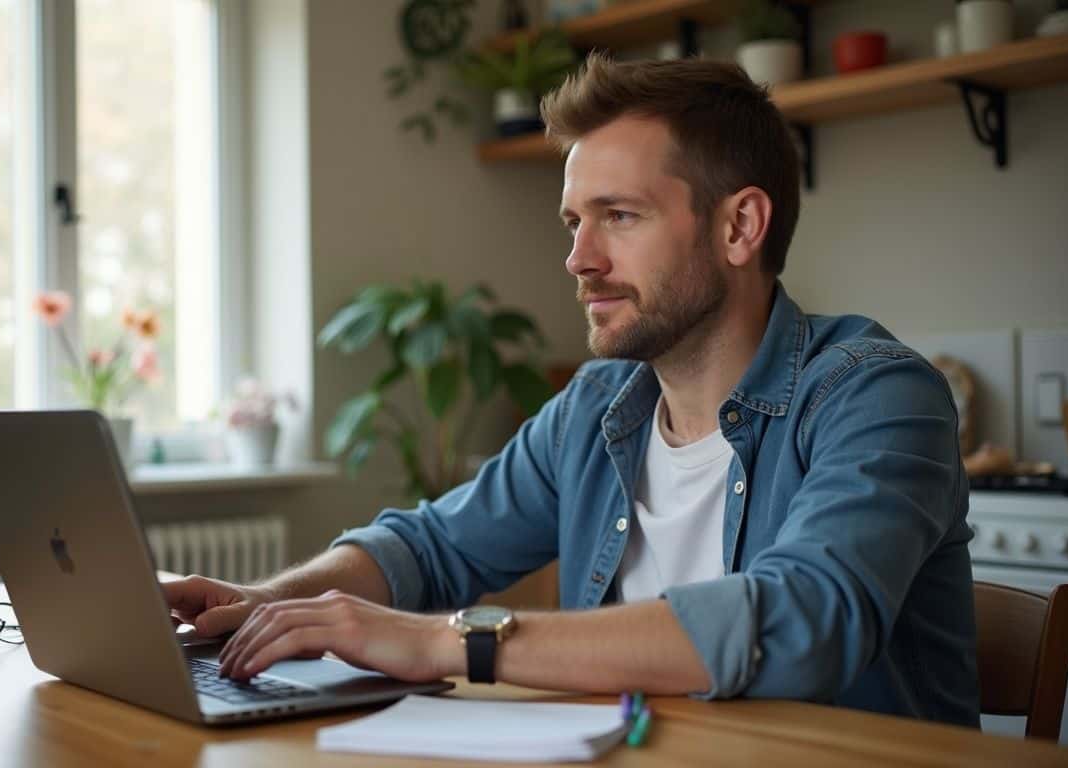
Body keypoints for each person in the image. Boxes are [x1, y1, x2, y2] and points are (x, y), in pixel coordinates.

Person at [162, 54, 979, 725]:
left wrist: (453, 641)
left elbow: (806, 620)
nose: (579, 259)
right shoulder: (599, 408)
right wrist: (263, 603)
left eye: (618, 216)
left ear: (740, 227)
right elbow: (431, 547)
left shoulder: (875, 395)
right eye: (573, 222)